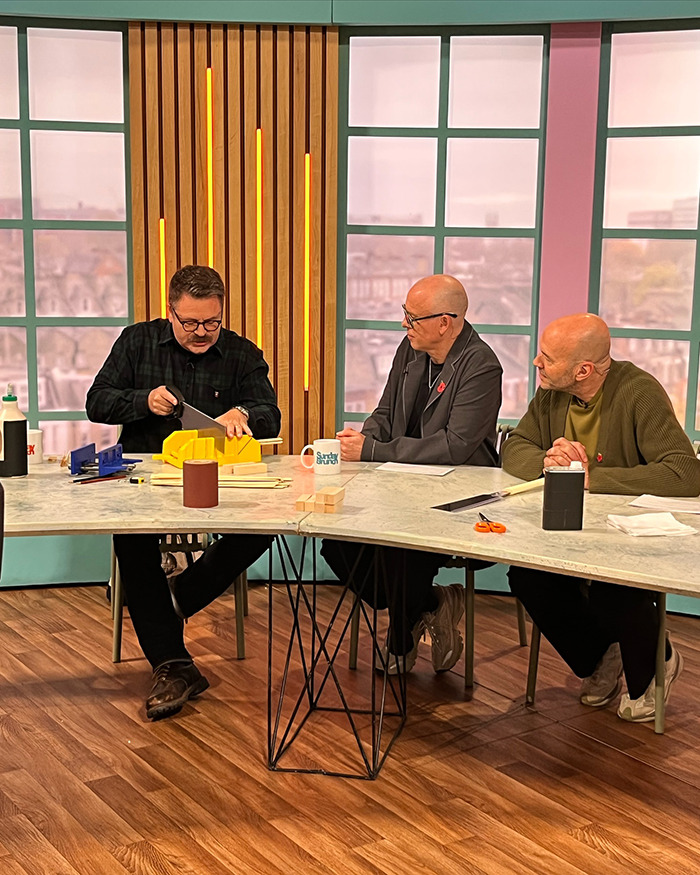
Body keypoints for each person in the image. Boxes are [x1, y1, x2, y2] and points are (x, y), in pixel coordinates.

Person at [87, 265, 281, 720]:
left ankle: (177, 598)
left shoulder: (242, 354)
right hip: (146, 477)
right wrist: (141, 401)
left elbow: (271, 415)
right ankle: (173, 666)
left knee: (265, 526)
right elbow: (96, 401)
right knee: (130, 538)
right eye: (190, 323)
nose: (201, 332)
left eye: (211, 322)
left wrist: (243, 413)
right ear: (169, 311)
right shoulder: (136, 342)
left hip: (219, 479)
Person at [502, 313, 700, 722]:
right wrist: (546, 460)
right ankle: (599, 659)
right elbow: (516, 446)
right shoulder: (552, 394)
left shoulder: (638, 392)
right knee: (527, 577)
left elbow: (685, 472)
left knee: (614, 587)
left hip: (628, 534)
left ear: (583, 370)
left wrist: (596, 478)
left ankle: (656, 667)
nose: (537, 363)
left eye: (547, 358)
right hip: (570, 526)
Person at [321, 274, 502, 674]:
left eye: (413, 318)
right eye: (405, 314)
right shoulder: (411, 348)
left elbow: (455, 445)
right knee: (335, 540)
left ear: (446, 322)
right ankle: (430, 604)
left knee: (403, 545)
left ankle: (401, 640)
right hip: (401, 482)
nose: (404, 325)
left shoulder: (482, 365)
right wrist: (362, 439)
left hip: (460, 492)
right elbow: (385, 413)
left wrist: (374, 450)